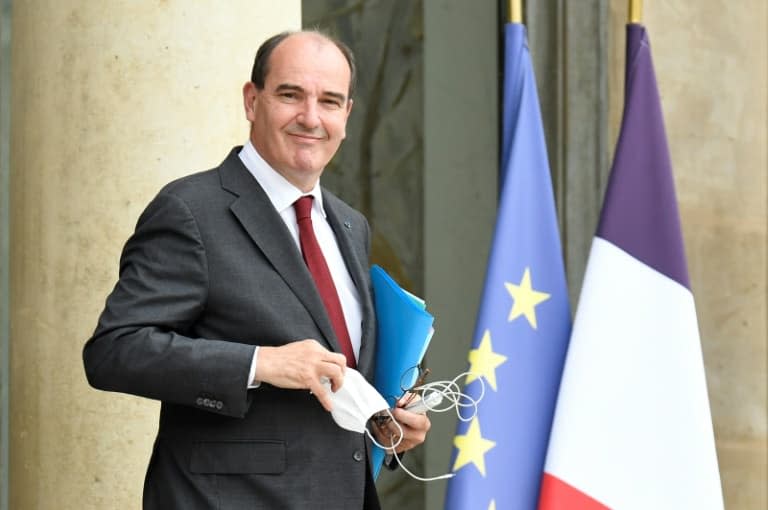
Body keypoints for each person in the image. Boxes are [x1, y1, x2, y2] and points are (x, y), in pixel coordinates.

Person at [83, 30, 430, 510]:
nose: (311, 117)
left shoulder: (351, 225)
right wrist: (260, 364)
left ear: (346, 116)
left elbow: (336, 378)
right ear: (252, 101)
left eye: (330, 101)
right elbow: (112, 351)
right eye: (291, 95)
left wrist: (384, 421)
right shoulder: (190, 211)